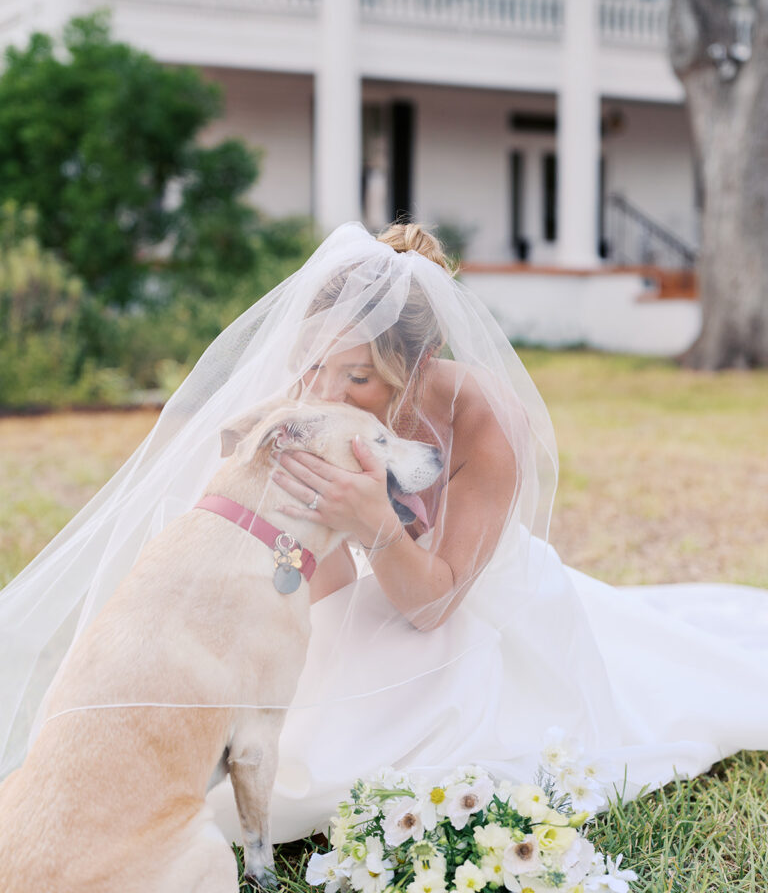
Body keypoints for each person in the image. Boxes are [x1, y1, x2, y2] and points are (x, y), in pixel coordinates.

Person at [1, 222, 767, 849]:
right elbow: (325, 591)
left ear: (420, 360)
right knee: (313, 720)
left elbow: (434, 607)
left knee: (393, 741)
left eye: (358, 377)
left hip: (468, 606)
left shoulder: (483, 422)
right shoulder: (311, 406)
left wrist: (370, 522)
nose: (328, 392)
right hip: (368, 594)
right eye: (315, 367)